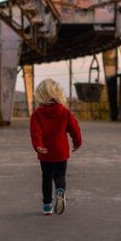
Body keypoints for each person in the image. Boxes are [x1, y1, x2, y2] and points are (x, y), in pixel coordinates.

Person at [29, 78, 82, 215]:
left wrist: (38, 146)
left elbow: (35, 133)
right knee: (60, 176)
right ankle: (60, 190)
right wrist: (77, 142)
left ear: (40, 94)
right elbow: (74, 129)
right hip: (61, 152)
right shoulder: (64, 112)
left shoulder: (37, 114)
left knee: (46, 178)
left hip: (45, 153)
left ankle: (47, 205)